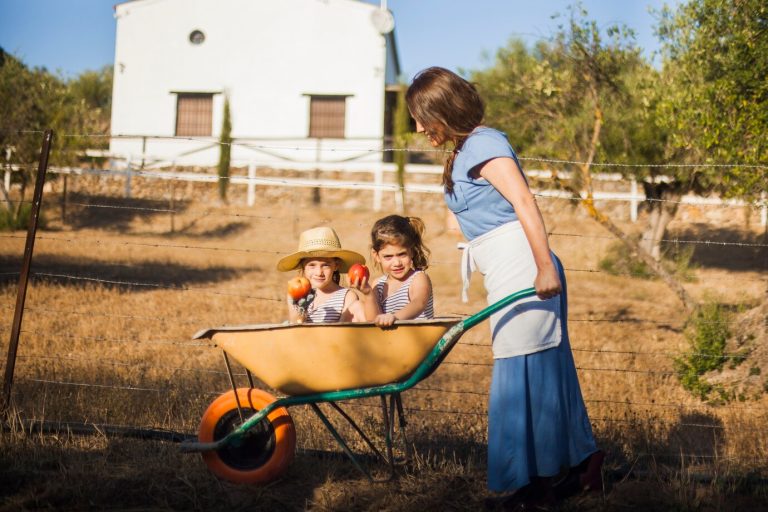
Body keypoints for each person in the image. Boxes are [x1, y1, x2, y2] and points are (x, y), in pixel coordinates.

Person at [406, 67, 603, 509]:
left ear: (443, 109)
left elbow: (524, 202)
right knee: (544, 369)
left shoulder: (484, 144)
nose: (418, 128)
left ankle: (535, 486)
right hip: (503, 264)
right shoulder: (463, 150)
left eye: (422, 117)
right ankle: (583, 465)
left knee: (522, 373)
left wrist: (543, 267)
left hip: (523, 266)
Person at [349, 215, 434, 327]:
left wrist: (395, 317)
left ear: (412, 251)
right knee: (357, 306)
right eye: (388, 257)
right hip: (389, 340)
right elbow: (373, 320)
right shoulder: (378, 284)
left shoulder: (418, 278)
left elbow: (419, 303)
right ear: (377, 256)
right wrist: (368, 294)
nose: (397, 263)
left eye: (402, 254)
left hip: (417, 338)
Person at [277, 226, 368, 323]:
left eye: (325, 265)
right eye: (312, 265)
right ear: (303, 266)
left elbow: (343, 331)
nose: (319, 272)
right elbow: (296, 326)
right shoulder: (296, 293)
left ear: (336, 266)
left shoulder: (347, 296)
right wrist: (300, 309)